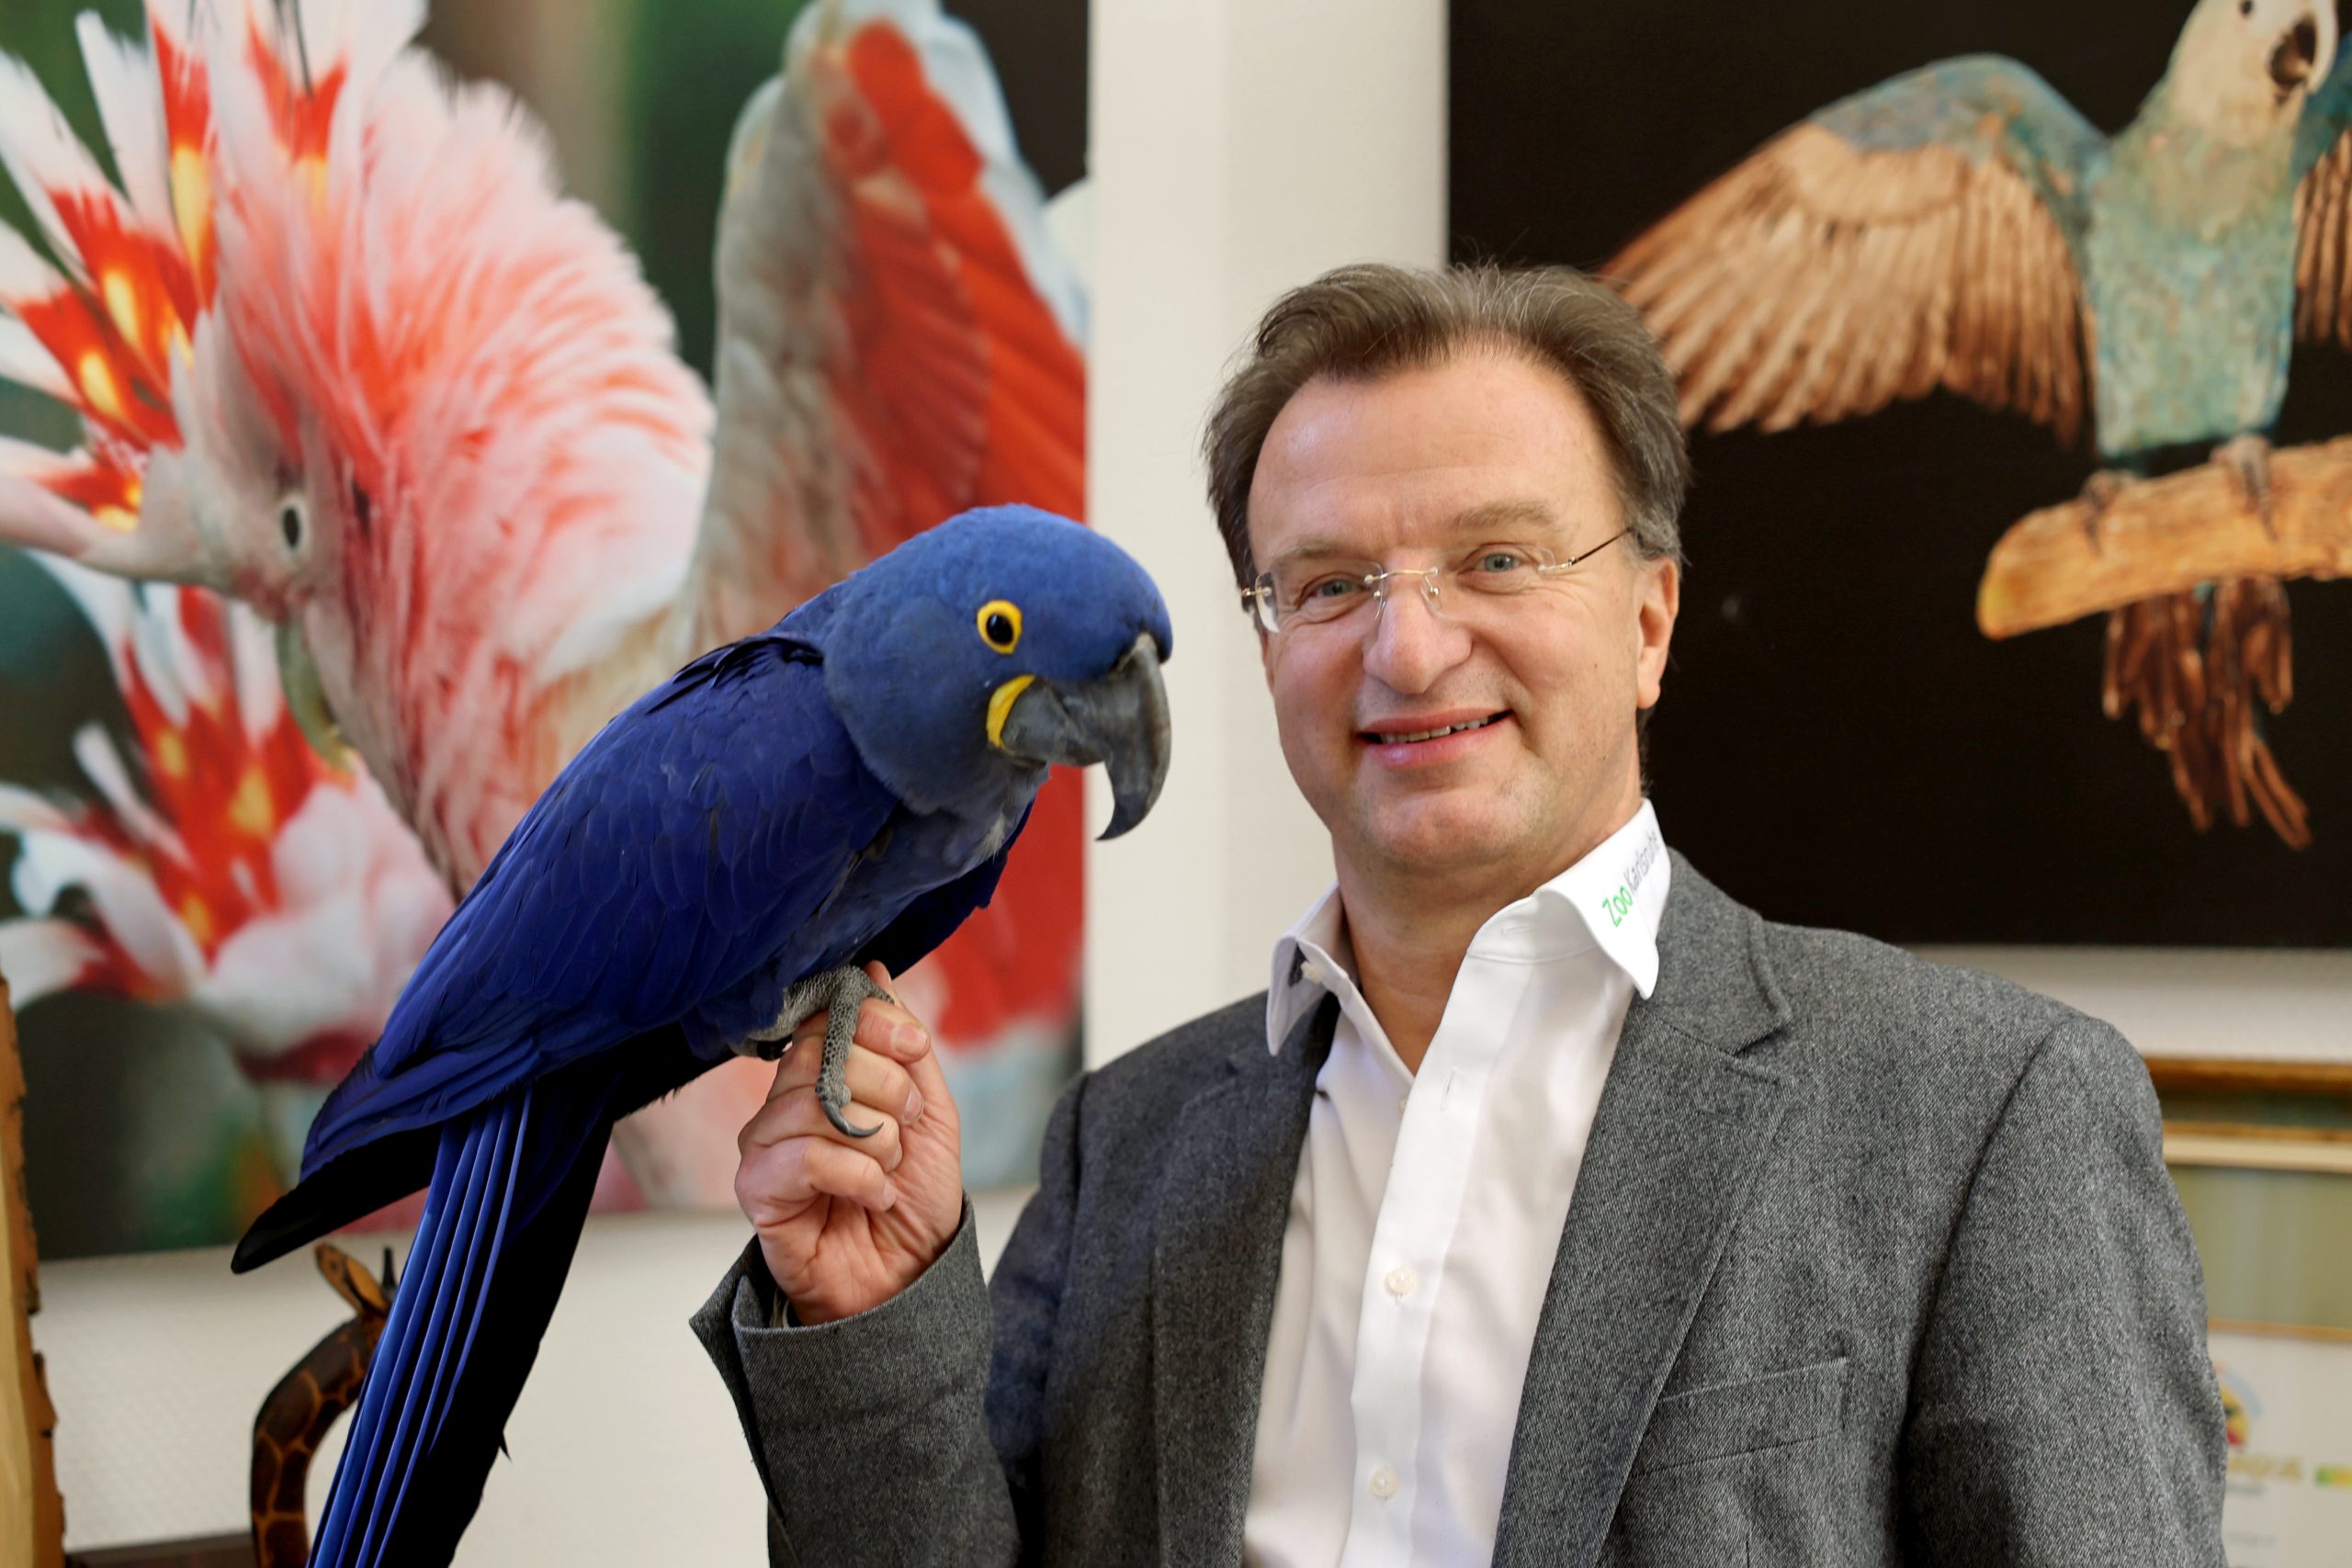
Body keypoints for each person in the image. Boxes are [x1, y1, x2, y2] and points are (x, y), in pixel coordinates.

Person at [693, 263, 2226, 1566]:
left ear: (1650, 621)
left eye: (1497, 559)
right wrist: (872, 1311)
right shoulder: (1128, 1139)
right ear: (1267, 645)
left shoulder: (1985, 1116)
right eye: (1328, 584)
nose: (1409, 651)